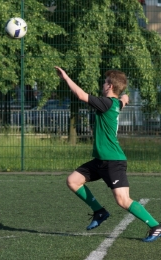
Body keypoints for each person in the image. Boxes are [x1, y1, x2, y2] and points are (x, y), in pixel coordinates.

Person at [55, 66, 161, 242]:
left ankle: (155, 226)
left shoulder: (106, 103)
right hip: (100, 160)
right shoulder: (116, 103)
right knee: (73, 181)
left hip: (113, 161)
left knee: (123, 200)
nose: (103, 84)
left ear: (110, 86)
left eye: (105, 82)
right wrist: (125, 99)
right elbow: (123, 100)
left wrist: (65, 77)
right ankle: (100, 212)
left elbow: (81, 95)